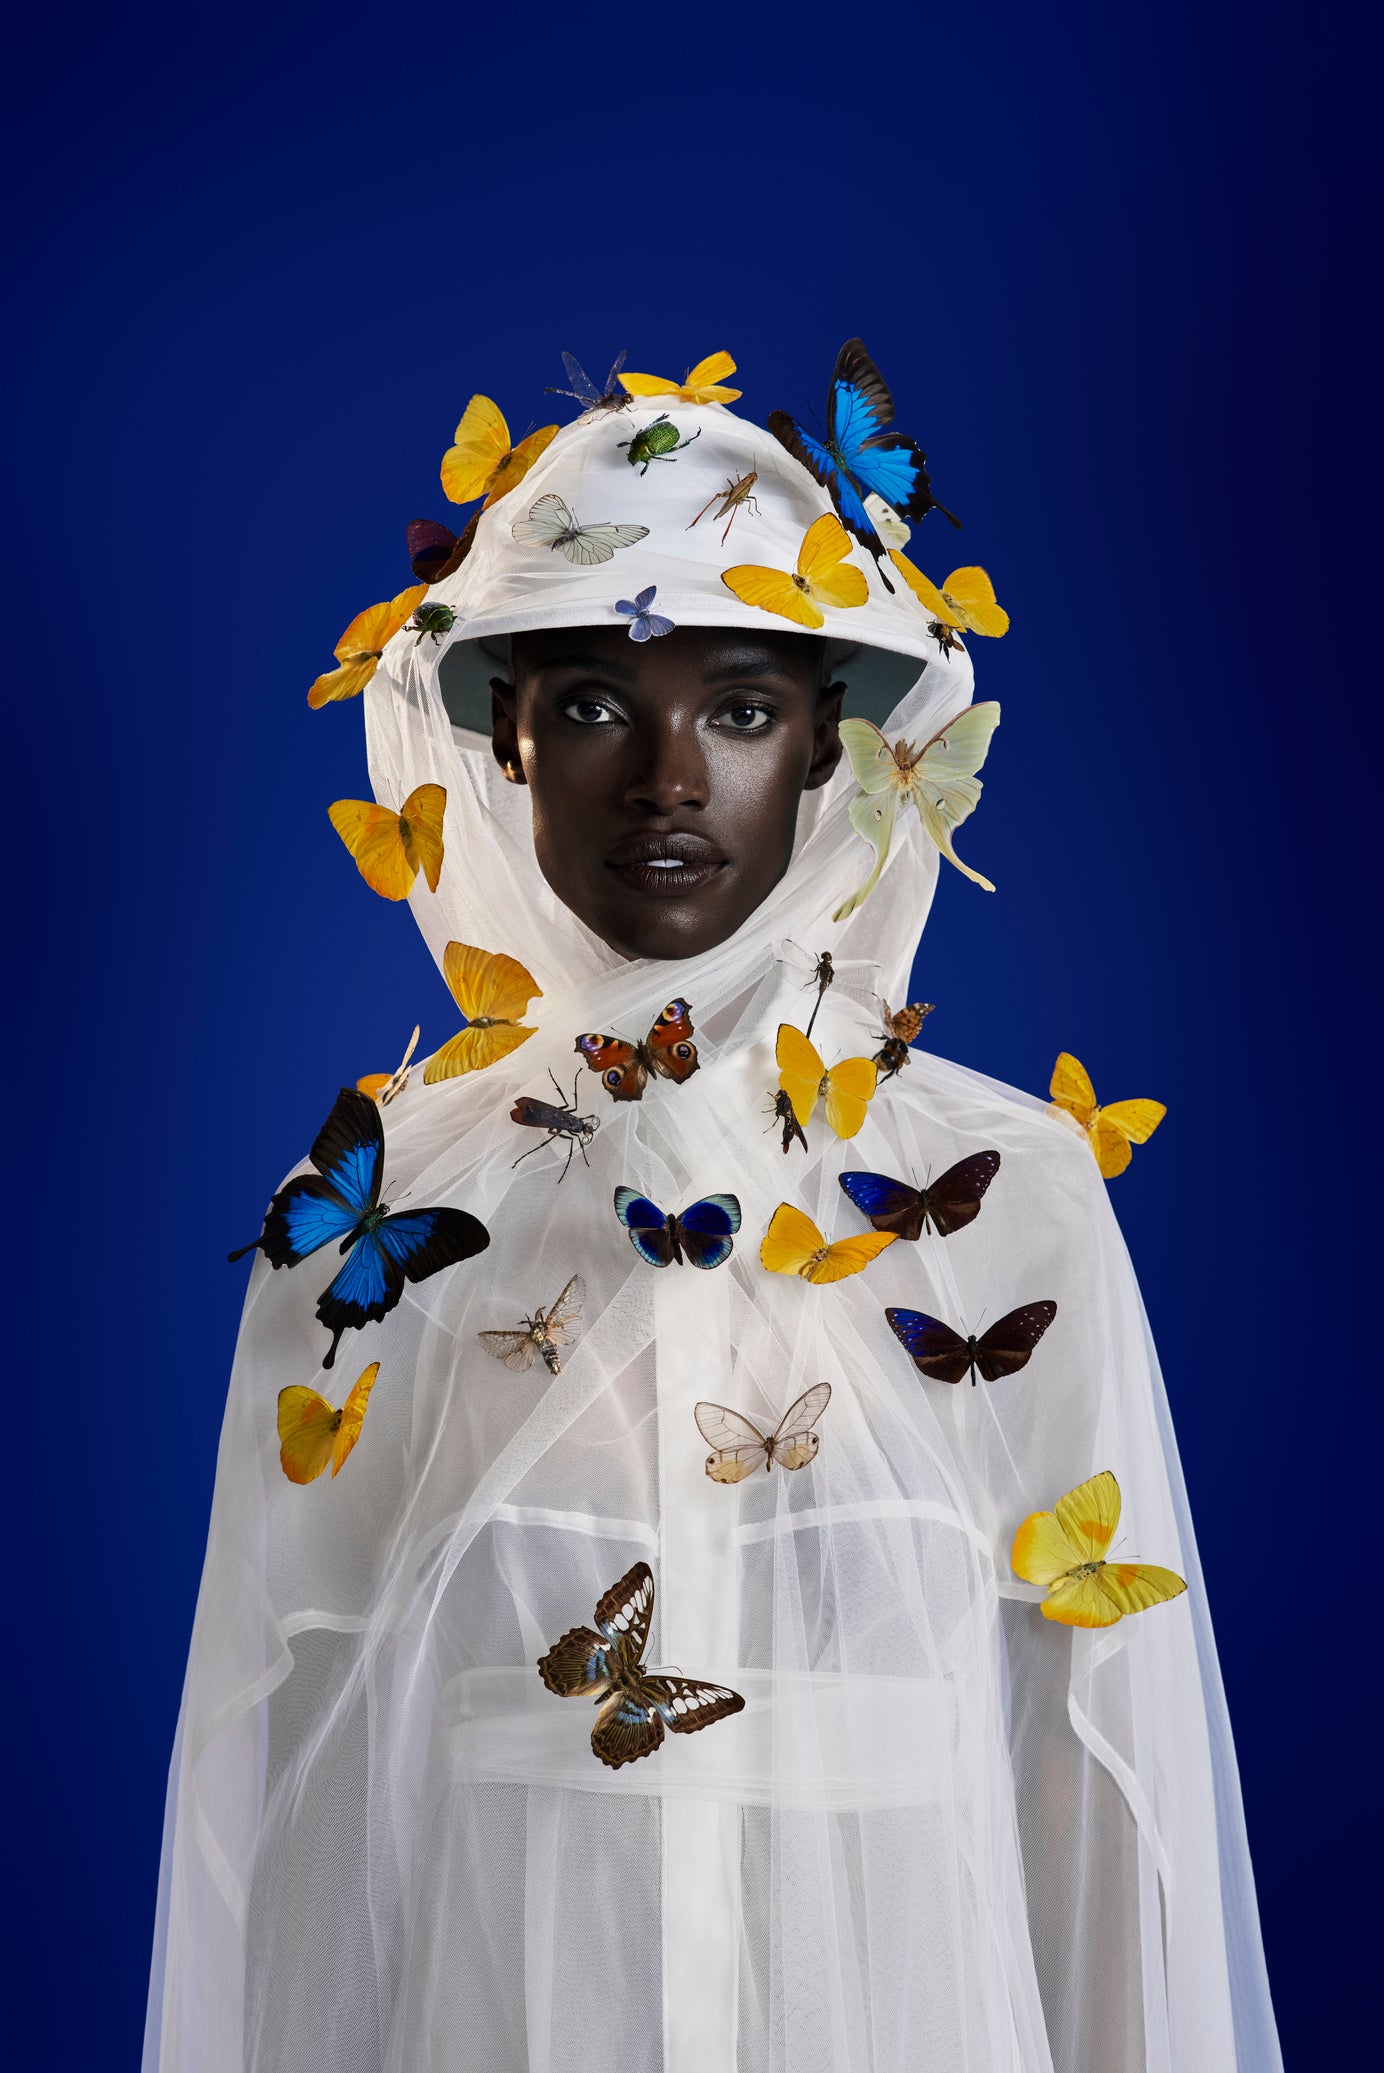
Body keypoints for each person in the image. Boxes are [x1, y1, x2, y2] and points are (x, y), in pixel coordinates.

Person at [144, 348, 1281, 2072]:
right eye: (597, 705)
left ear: (831, 745)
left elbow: (1100, 1788)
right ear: (507, 736)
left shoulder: (1004, 1209)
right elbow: (300, 1810)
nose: (669, 779)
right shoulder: (384, 1218)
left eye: (741, 710)